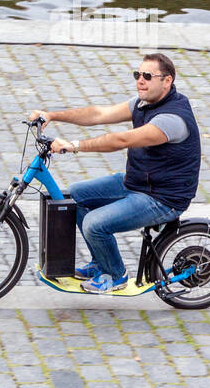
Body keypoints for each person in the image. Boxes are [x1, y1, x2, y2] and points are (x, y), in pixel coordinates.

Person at [28, 52, 201, 293]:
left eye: (148, 76)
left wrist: (74, 145)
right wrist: (53, 115)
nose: (140, 80)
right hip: (138, 182)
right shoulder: (144, 103)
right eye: (138, 74)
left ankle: (116, 274)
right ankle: (101, 263)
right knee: (75, 195)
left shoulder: (171, 119)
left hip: (162, 198)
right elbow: (98, 114)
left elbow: (120, 140)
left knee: (93, 223)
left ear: (167, 81)